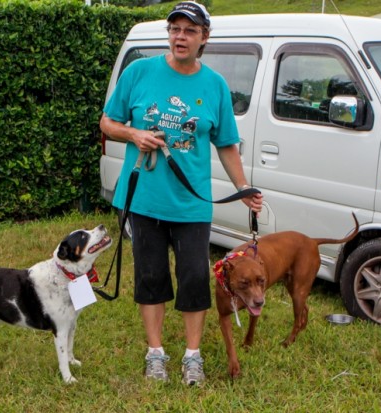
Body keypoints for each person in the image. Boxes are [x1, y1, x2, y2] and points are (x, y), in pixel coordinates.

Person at [99, 1, 263, 385]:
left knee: (193, 278)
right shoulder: (139, 72)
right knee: (151, 277)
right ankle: (155, 353)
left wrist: (242, 188)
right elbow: (107, 122)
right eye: (175, 29)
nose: (180, 36)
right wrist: (134, 134)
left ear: (204, 37)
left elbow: (226, 143)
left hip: (191, 204)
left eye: (190, 30)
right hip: (144, 199)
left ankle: (193, 356)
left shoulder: (215, 85)